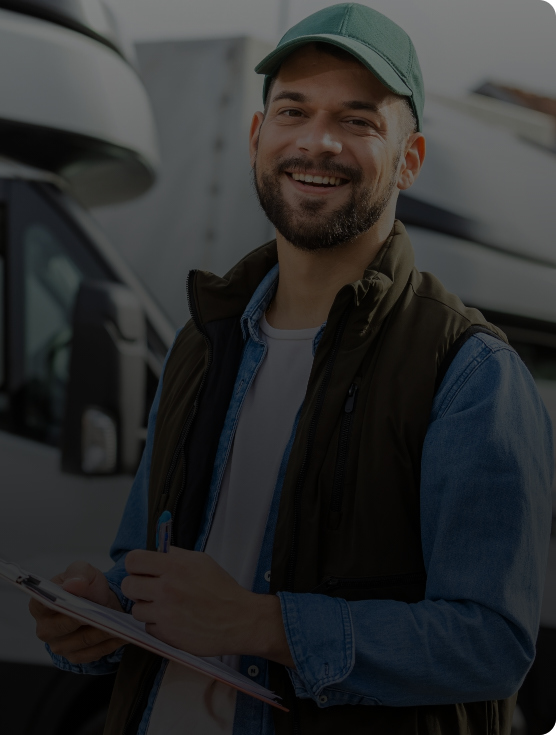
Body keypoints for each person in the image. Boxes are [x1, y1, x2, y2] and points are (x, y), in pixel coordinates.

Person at [29, 4, 554, 734]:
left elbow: (490, 644)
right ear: (257, 137)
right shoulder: (200, 342)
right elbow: (147, 569)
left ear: (410, 159)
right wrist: (104, 610)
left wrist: (257, 622)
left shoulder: (470, 373)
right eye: (293, 111)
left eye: (358, 121)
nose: (317, 141)